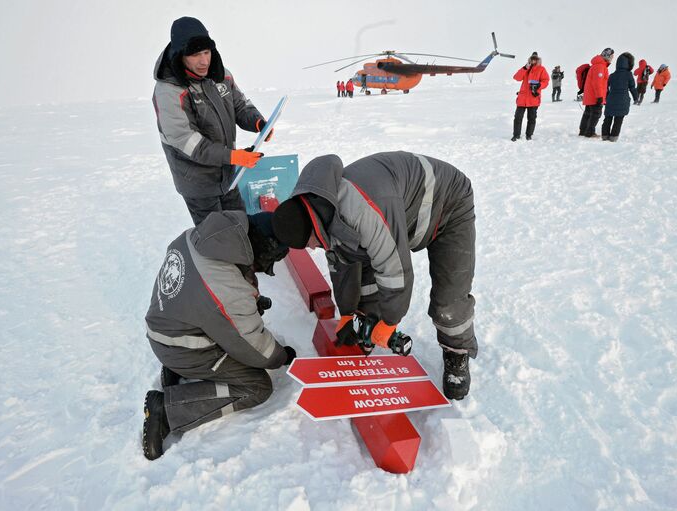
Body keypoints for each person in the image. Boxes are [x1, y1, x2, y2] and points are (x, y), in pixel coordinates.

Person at [270, 152, 477, 400]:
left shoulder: (360, 210)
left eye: (310, 243)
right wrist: (348, 313)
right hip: (401, 215)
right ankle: (367, 325)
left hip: (447, 203)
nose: (313, 248)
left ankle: (456, 352)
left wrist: (390, 322)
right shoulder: (323, 208)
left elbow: (395, 271)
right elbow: (341, 266)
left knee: (449, 298)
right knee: (362, 267)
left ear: (313, 227)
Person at [142, 210, 293, 461]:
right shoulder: (225, 286)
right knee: (256, 386)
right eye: (261, 265)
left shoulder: (199, 236)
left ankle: (179, 370)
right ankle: (167, 411)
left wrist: (246, 301)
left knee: (229, 325)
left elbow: (203, 292)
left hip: (167, 327)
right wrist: (281, 355)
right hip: (181, 347)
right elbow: (256, 349)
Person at [153, 17, 272, 226]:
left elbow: (240, 106)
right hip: (198, 184)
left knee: (240, 226)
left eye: (206, 53)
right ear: (181, 55)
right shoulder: (169, 91)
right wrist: (232, 156)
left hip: (227, 175)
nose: (203, 61)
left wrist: (259, 123)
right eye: (195, 54)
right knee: (217, 241)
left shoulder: (221, 76)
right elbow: (186, 140)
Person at [511, 52, 549, 141]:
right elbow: (516, 77)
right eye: (532, 59)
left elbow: (546, 81)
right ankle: (516, 135)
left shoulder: (542, 69)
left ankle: (529, 135)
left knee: (531, 119)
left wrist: (540, 85)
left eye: (535, 59)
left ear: (537, 59)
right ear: (530, 59)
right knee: (517, 118)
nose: (533, 60)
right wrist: (524, 68)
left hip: (533, 98)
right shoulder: (525, 68)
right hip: (522, 99)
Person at [601, 53, 638, 142]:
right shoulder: (628, 75)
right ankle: (613, 137)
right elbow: (632, 87)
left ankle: (605, 136)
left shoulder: (612, 75)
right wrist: (636, 98)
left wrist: (606, 96)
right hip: (623, 100)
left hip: (611, 100)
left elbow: (605, 87)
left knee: (608, 118)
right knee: (618, 120)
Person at [578, 48, 614, 138]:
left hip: (590, 95)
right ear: (607, 56)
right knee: (596, 114)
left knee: (588, 113)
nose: (613, 58)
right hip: (595, 95)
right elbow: (597, 82)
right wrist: (599, 96)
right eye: (612, 56)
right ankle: (590, 132)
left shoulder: (597, 65)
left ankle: (583, 130)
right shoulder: (600, 66)